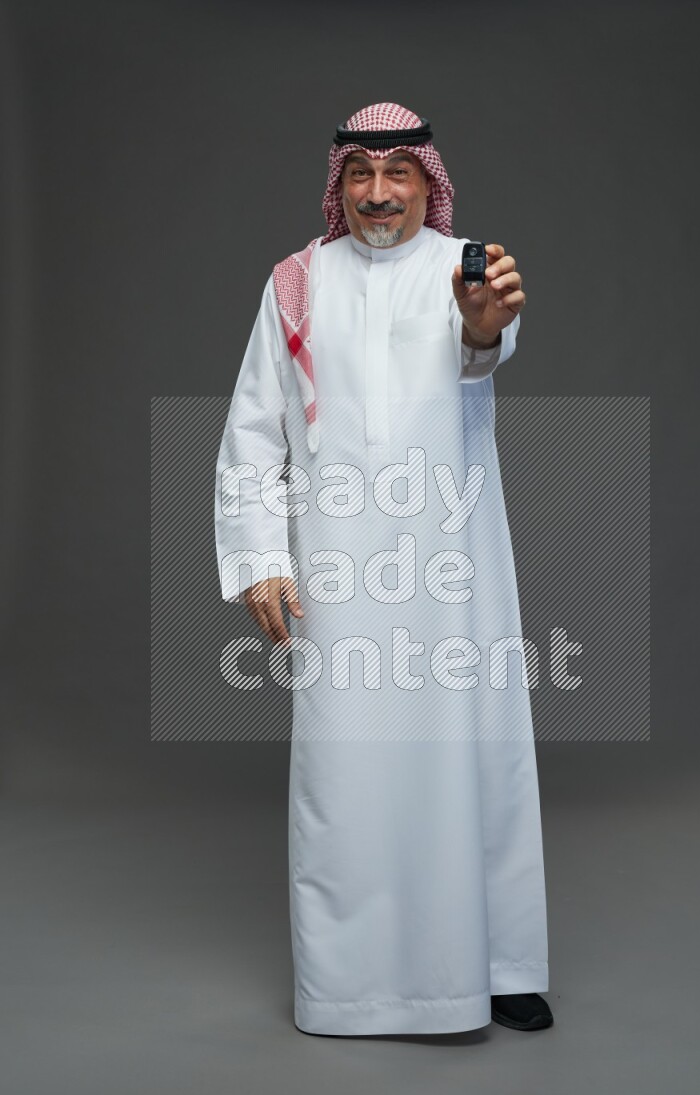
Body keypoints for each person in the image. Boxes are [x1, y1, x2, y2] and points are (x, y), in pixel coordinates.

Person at [214, 102, 552, 1035]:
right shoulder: (295, 281)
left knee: (473, 747)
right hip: (336, 570)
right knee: (345, 772)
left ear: (426, 180)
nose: (377, 192)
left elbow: (483, 350)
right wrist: (258, 557)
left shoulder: (466, 265)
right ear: (339, 183)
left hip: (450, 564)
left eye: (398, 172)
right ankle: (352, 987)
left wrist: (484, 327)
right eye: (360, 172)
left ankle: (498, 961)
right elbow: (252, 428)